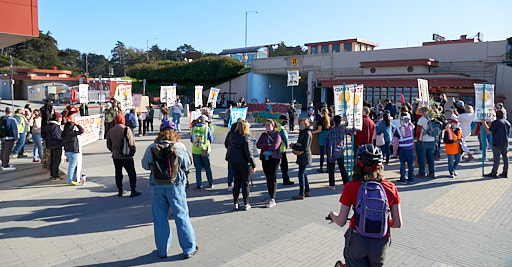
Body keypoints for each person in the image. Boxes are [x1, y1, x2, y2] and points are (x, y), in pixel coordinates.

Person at [329, 144, 402, 266]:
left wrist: (333, 215)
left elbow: (341, 221)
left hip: (358, 239)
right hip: (380, 241)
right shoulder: (390, 187)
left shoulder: (351, 187)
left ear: (357, 164)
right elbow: (397, 223)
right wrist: (380, 222)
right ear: (380, 166)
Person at [141, 127, 198, 260]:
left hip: (157, 186)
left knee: (160, 218)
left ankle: (162, 251)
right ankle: (189, 248)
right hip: (176, 185)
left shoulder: (152, 147)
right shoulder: (179, 146)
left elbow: (144, 164)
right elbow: (188, 164)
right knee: (181, 216)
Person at [106, 114, 142, 197]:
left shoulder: (111, 130)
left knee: (118, 173)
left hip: (116, 156)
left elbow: (108, 144)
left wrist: (113, 150)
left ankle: (120, 190)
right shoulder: (126, 129)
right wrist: (133, 151)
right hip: (126, 155)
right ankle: (133, 190)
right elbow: (131, 142)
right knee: (131, 172)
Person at [228, 120, 256, 210]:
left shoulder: (233, 136)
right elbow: (249, 153)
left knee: (236, 182)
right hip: (244, 163)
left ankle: (235, 203)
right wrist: (253, 165)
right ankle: (246, 203)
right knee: (245, 184)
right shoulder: (245, 137)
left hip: (234, 162)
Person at [256, 119, 282, 208]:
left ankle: (273, 198)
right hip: (265, 158)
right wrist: (267, 145)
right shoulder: (264, 134)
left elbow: (275, 146)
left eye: (269, 125)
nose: (267, 127)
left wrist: (266, 146)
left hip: (274, 158)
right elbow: (258, 145)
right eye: (266, 125)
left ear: (273, 125)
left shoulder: (277, 134)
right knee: (268, 177)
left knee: (272, 177)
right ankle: (270, 194)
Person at [482, 109, 511, 178]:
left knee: (496, 159)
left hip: (497, 142)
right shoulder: (507, 122)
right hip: (505, 143)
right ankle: (505, 172)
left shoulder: (495, 123)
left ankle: (494, 173)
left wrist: (484, 123)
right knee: (505, 158)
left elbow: (489, 131)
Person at [325, 115, 352, 190]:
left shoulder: (331, 130)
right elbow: (352, 132)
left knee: (331, 169)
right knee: (342, 167)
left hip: (332, 151)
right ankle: (346, 182)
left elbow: (327, 141)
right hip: (340, 150)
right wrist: (349, 124)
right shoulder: (342, 129)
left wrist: (326, 151)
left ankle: (332, 184)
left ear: (333, 121)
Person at [190, 115, 214, 191]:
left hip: (195, 150)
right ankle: (210, 183)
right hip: (205, 150)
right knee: (207, 167)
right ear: (204, 121)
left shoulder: (193, 129)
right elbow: (211, 139)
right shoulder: (207, 129)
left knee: (198, 168)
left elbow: (191, 140)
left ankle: (198, 184)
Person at [291, 118, 313, 200]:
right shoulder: (303, 132)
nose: (301, 125)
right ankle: (307, 191)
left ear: (306, 124)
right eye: (300, 124)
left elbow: (304, 147)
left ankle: (301, 193)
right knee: (304, 174)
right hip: (302, 156)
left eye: (302, 124)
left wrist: (294, 146)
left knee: (301, 174)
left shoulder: (307, 133)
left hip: (305, 156)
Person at [392, 113, 415, 184]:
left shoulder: (398, 130)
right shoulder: (411, 128)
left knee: (402, 165)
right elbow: (412, 125)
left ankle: (403, 179)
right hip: (411, 149)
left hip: (402, 149)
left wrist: (395, 152)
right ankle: (411, 179)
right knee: (411, 165)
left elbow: (395, 143)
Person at [415, 107, 436, 178]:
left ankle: (422, 172)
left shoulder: (421, 119)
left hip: (423, 140)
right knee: (431, 158)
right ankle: (431, 172)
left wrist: (417, 138)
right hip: (432, 140)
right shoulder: (432, 118)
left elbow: (418, 130)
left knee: (422, 157)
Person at [312, 108, 332, 173]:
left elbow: (319, 130)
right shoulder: (330, 120)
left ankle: (321, 167)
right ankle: (328, 168)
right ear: (328, 112)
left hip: (322, 137)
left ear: (322, 113)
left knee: (322, 154)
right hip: (329, 137)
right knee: (329, 154)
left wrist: (312, 132)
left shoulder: (320, 120)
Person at [45, 113, 63, 180]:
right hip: (56, 145)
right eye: (60, 117)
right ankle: (54, 175)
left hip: (52, 145)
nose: (61, 119)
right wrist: (63, 138)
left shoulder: (50, 124)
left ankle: (53, 174)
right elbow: (56, 136)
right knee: (56, 160)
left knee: (53, 160)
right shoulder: (55, 126)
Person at [277, 115, 294, 185]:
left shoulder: (278, 127)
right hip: (282, 149)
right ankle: (286, 179)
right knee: (284, 166)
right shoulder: (282, 129)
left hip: (277, 149)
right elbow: (285, 140)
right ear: (281, 120)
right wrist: (288, 145)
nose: (286, 122)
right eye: (285, 120)